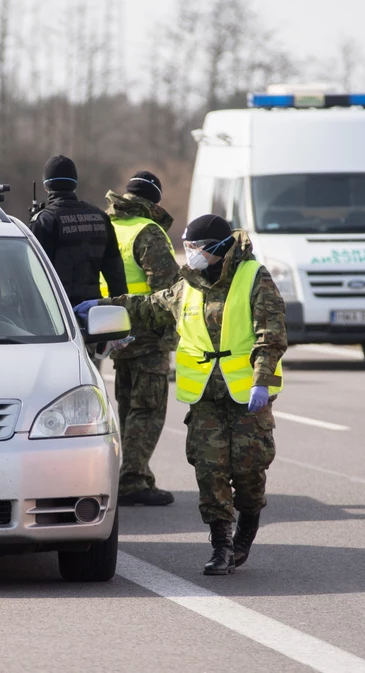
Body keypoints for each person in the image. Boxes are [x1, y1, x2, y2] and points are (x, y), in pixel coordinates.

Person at [75, 214, 286, 575]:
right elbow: (150, 306)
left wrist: (261, 381)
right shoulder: (186, 285)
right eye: (186, 248)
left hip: (246, 393)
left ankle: (247, 525)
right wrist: (104, 305)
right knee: (210, 470)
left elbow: (271, 333)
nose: (189, 255)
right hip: (204, 396)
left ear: (218, 248)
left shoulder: (254, 278)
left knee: (249, 474)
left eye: (195, 248)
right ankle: (221, 545)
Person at [100, 171, 180, 507]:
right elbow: (169, 291)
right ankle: (132, 480)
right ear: (154, 201)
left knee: (128, 406)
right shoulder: (149, 232)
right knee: (147, 410)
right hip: (147, 330)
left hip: (111, 327)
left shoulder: (109, 225)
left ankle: (137, 473)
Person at [29, 155, 128, 307]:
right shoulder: (100, 217)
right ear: (75, 184)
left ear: (46, 186)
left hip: (58, 315)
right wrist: (120, 312)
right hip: (94, 313)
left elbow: (32, 276)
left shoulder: (45, 220)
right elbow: (116, 274)